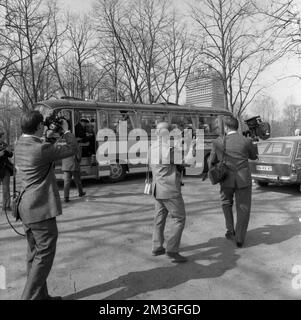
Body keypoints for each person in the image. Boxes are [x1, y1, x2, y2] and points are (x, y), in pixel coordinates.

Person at [15, 111, 78, 300]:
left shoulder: (19, 144)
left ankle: (41, 296)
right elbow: (72, 149)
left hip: (25, 207)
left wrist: (49, 137)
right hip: (39, 209)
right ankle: (29, 297)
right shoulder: (41, 149)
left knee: (34, 254)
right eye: (42, 125)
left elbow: (43, 152)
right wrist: (66, 132)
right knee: (44, 255)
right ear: (38, 127)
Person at [149, 122, 196, 263]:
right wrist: (192, 148)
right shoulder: (168, 150)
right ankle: (172, 249)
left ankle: (157, 247)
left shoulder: (152, 147)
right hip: (169, 190)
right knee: (179, 218)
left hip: (157, 188)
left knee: (159, 218)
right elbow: (187, 162)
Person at [209, 116, 258, 248]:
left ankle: (230, 231)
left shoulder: (218, 141)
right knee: (243, 208)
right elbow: (254, 156)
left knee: (226, 203)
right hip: (243, 179)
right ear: (237, 127)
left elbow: (211, 161)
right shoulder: (246, 141)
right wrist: (254, 142)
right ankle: (240, 238)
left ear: (225, 127)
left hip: (225, 179)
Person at [62, 135, 86, 203]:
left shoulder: (64, 146)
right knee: (78, 181)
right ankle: (80, 193)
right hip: (74, 166)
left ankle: (66, 197)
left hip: (66, 166)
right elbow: (79, 158)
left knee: (66, 183)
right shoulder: (77, 147)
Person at [0, 132, 13, 212]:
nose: (1, 138)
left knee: (6, 188)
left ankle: (6, 206)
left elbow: (10, 155)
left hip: (5, 169)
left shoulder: (4, 144)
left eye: (1, 136)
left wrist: (9, 151)